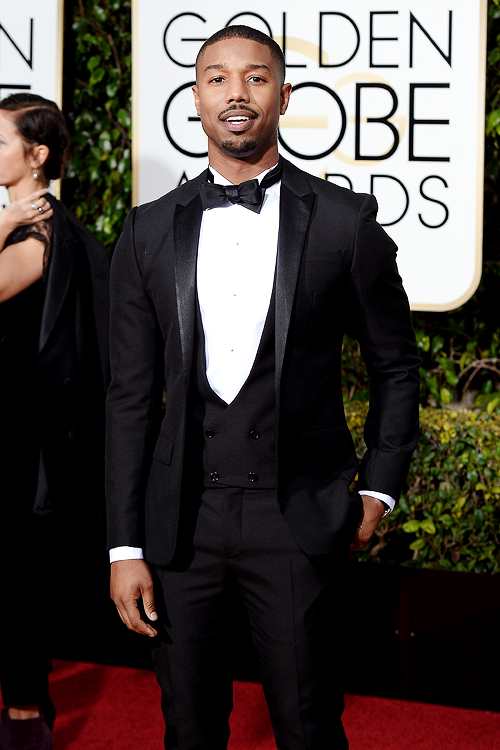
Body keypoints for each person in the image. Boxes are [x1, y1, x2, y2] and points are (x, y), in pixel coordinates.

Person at [107, 25, 420, 750]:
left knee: (308, 727)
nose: (236, 94)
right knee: (187, 728)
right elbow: (127, 397)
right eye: (216, 78)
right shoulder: (148, 230)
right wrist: (124, 547)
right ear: (195, 98)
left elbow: (396, 366)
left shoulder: (345, 222)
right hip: (181, 526)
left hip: (297, 519)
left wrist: (379, 487)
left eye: (254, 77)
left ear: (282, 94)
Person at [0, 93, 110, 750]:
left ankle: (24, 724)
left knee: (13, 578)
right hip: (19, 436)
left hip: (21, 443)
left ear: (37, 154)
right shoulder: (34, 223)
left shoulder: (39, 231)